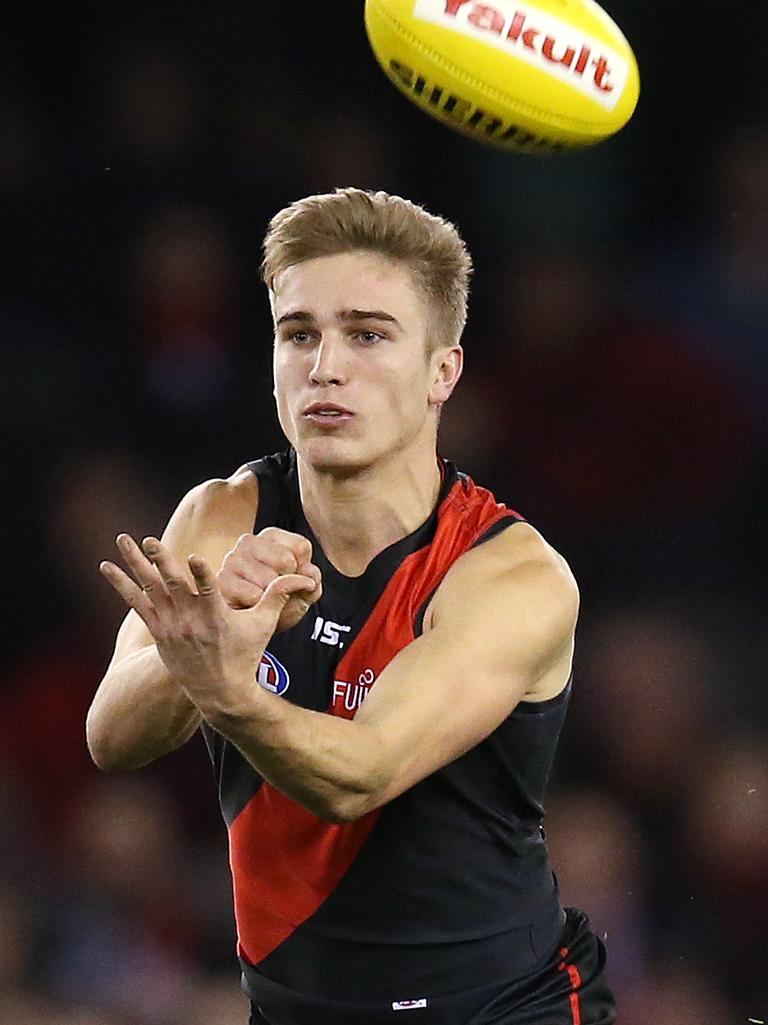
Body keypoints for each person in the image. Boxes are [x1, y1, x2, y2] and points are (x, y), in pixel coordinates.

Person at [87, 188, 617, 1025]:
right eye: (298, 334)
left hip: (501, 1007)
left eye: (368, 334)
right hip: (294, 1008)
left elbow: (360, 774)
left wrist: (225, 686)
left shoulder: (508, 573)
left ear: (443, 371)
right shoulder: (222, 516)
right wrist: (204, 639)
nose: (325, 365)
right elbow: (111, 736)